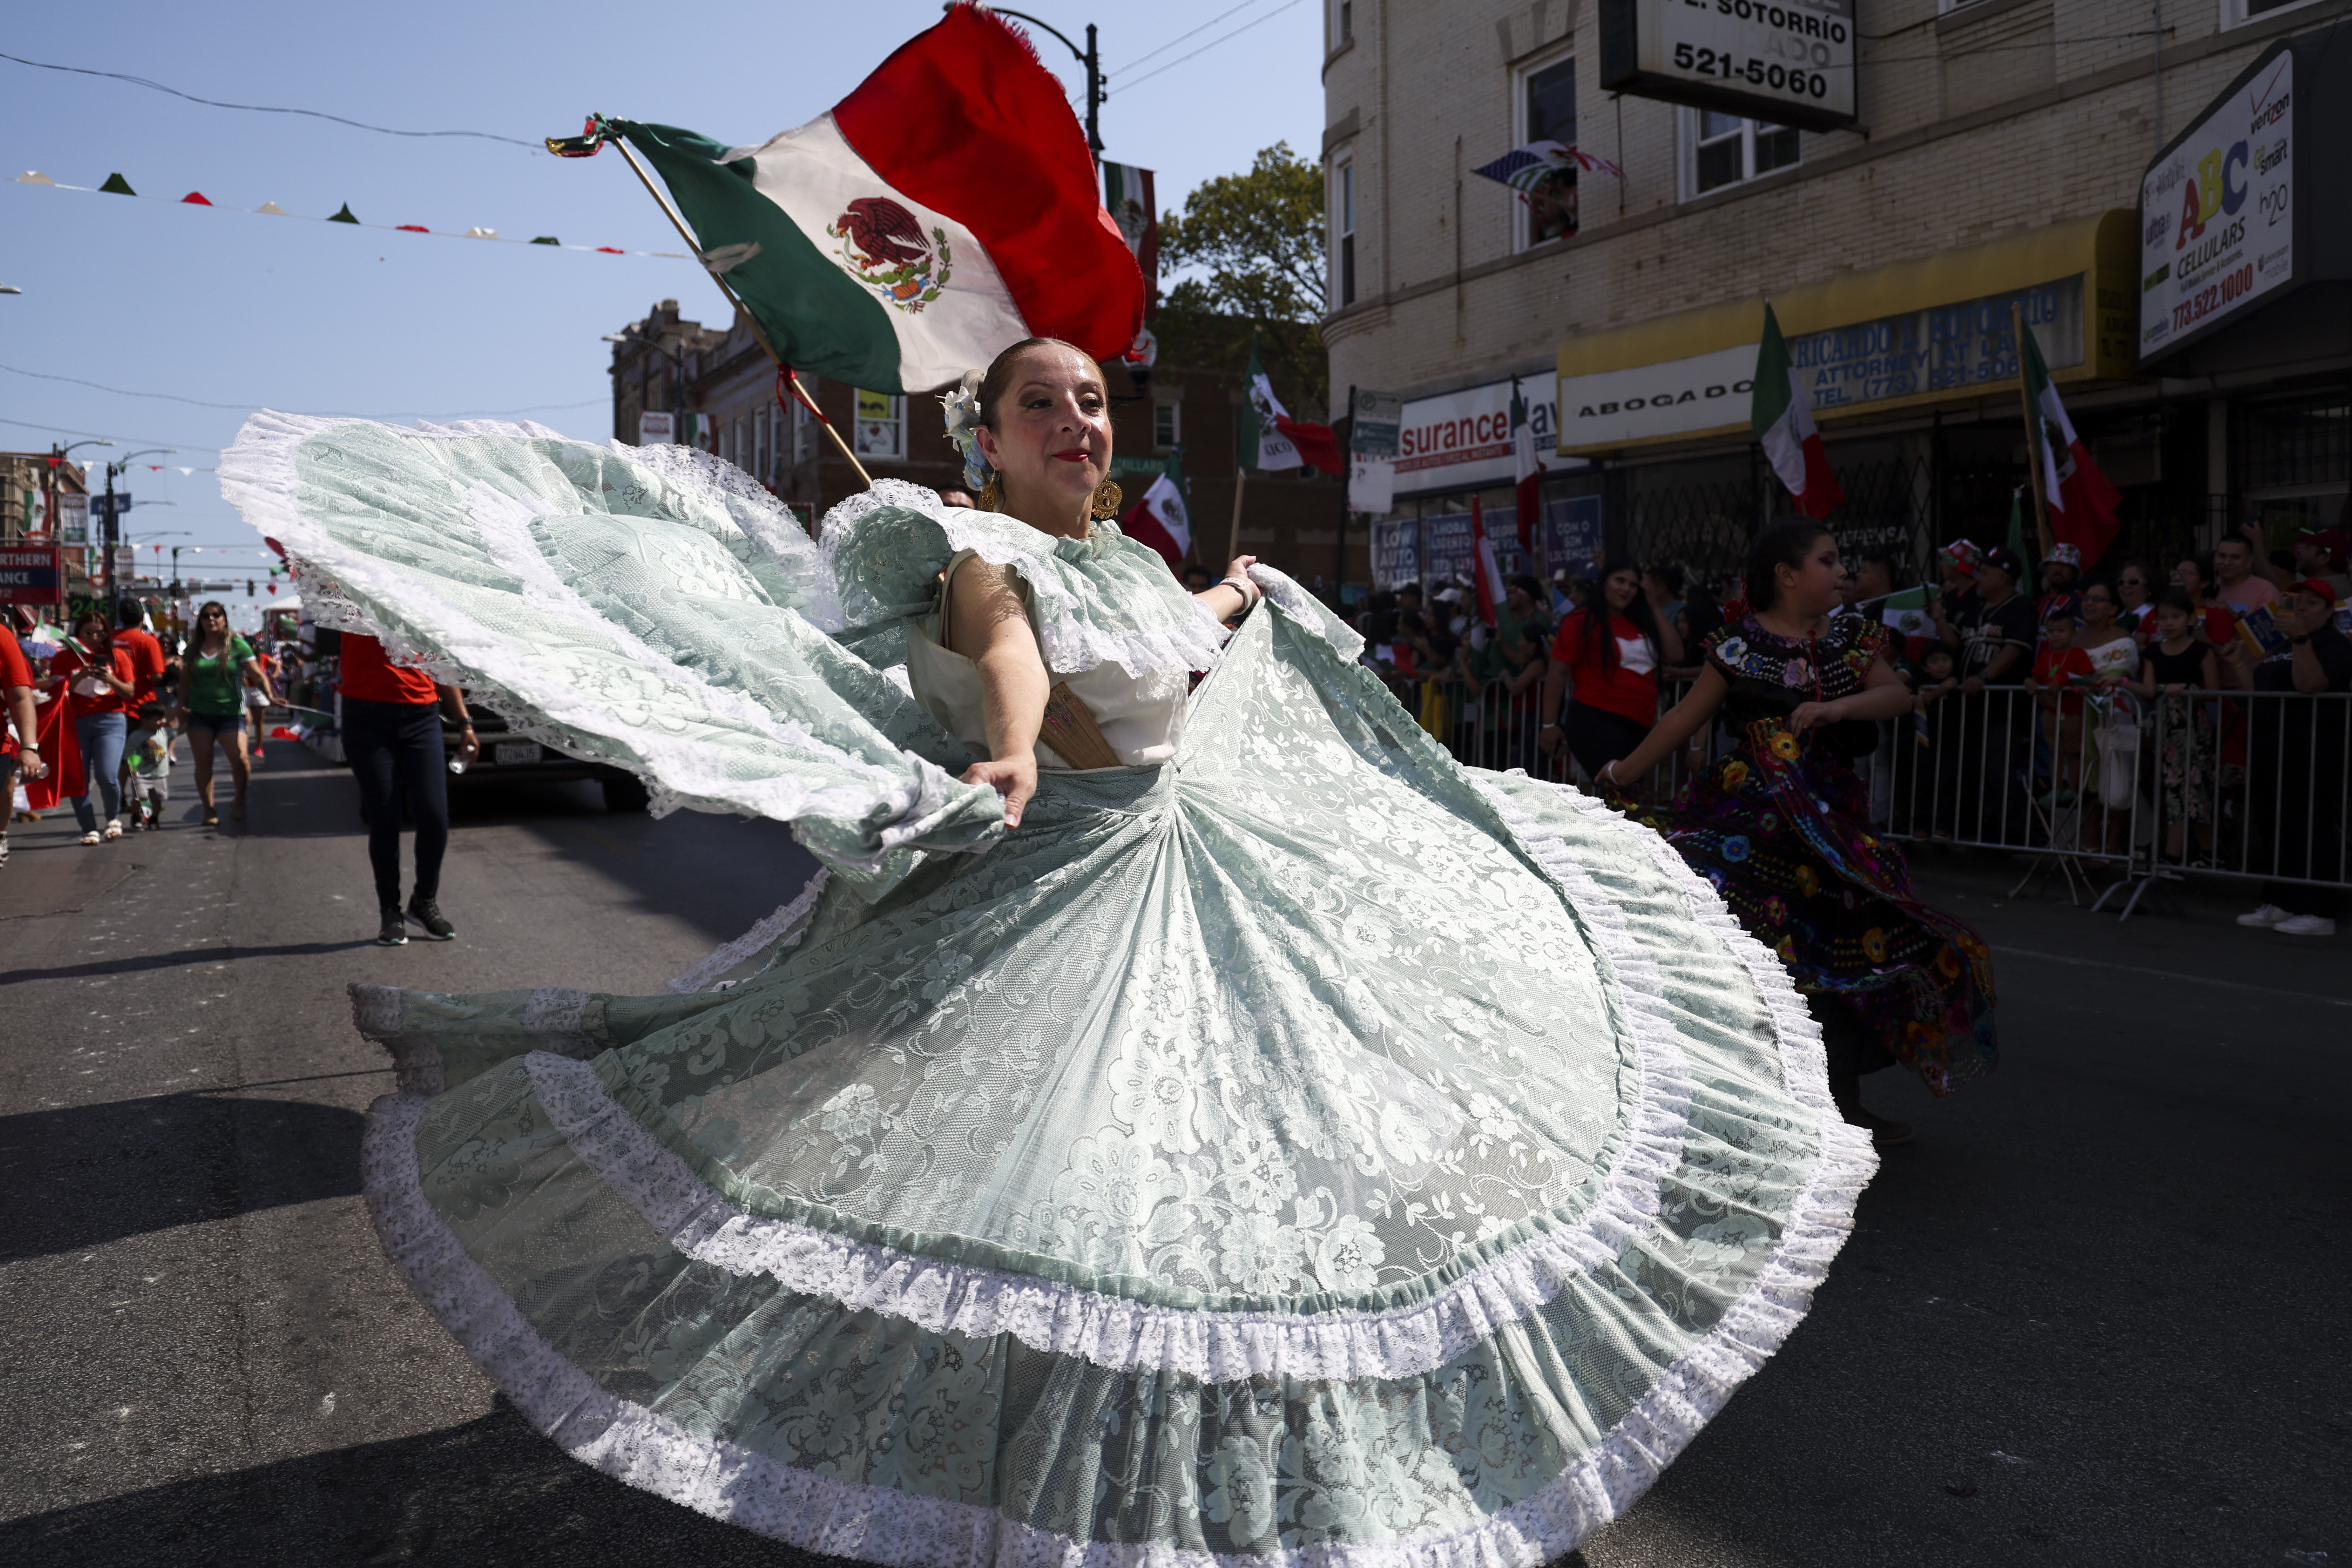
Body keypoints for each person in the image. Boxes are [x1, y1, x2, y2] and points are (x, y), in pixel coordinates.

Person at [232, 335, 1882, 1567]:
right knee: (1043, 1197)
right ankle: (1034, 1487)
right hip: (1060, 892)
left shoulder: (1135, 563)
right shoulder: (969, 553)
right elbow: (1015, 652)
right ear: (990, 435)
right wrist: (1011, 752)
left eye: (1093, 402)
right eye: (1045, 403)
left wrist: (1232, 597)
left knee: (1249, 1183)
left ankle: (1274, 1488)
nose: (1078, 423)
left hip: (1211, 875)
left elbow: (1163, 645)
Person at [1604, 520, 1997, 1140]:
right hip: (1752, 827)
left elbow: (1898, 697)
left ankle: (1841, 1100)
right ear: (1788, 576)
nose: (1841, 571)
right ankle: (1733, 1094)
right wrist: (1620, 774)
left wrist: (1837, 707)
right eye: (1828, 560)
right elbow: (1684, 716)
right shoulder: (1737, 646)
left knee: (1848, 953)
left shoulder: (1852, 640)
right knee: (1761, 961)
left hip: (1833, 824)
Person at [2227, 578, 2351, 936]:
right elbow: (2259, 694)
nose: (2304, 608)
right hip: (2271, 746)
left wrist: (2300, 640)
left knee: (2311, 826)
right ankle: (2282, 901)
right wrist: (2238, 664)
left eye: (2314, 603)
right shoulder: (2281, 644)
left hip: (2311, 747)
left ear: (2329, 612)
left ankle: (2319, 910)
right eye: (2299, 601)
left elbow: (2310, 685)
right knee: (2274, 826)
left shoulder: (2333, 644)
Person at [338, 631, 478, 945]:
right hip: (367, 718)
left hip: (421, 716)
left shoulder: (414, 596)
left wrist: (465, 723)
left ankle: (423, 902)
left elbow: (440, 664)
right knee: (385, 817)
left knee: (434, 814)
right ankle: (390, 911)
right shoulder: (348, 593)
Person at [1537, 558, 1682, 785]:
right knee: (1620, 796)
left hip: (1641, 724)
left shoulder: (1642, 621)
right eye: (1620, 581)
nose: (1626, 589)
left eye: (1633, 585)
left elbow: (1675, 655)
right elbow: (1557, 672)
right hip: (1595, 719)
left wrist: (1653, 605)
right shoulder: (1581, 620)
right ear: (1604, 581)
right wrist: (1549, 725)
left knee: (1630, 798)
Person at [1932, 543, 2035, 841]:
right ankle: (1978, 832)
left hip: (2003, 706)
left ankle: (2010, 834)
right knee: (1972, 770)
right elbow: (1954, 645)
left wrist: (1984, 676)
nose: (1979, 577)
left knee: (1998, 770)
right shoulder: (1975, 606)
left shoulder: (2020, 606)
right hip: (1971, 707)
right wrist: (1940, 617)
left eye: (1985, 572)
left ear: (2003, 577)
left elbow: (2015, 648)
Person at [2129, 588, 2220, 871]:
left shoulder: (2202, 650)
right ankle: (2189, 855)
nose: (2169, 623)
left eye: (2176, 617)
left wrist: (2187, 692)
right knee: (2176, 791)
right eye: (2164, 618)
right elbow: (2147, 688)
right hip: (2168, 728)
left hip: (2195, 729)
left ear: (2192, 619)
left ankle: (2186, 856)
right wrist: (2121, 683)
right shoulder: (2154, 652)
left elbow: (2214, 692)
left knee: (2195, 791)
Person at [178, 601, 279, 826]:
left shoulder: (238, 645)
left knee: (240, 757)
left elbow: (258, 675)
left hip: (231, 713)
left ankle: (240, 799)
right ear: (200, 621)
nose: (211, 619)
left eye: (216, 615)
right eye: (206, 616)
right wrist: (180, 707)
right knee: (204, 761)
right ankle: (209, 809)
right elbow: (185, 681)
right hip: (200, 714)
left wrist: (270, 697)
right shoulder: (193, 648)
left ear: (224, 619)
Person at [51, 608, 139, 845]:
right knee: (77, 779)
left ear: (106, 635)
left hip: (110, 721)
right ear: (77, 633)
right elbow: (56, 691)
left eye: (99, 634)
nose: (93, 639)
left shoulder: (118, 656)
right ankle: (89, 829)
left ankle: (113, 818)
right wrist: (80, 676)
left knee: (107, 775)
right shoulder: (64, 658)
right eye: (87, 633)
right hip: (74, 723)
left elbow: (130, 692)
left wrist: (110, 679)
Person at [2027, 607, 2094, 806]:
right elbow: (2035, 677)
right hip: (2051, 713)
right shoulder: (2045, 656)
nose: (2055, 635)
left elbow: (2087, 679)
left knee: (2074, 753)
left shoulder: (2078, 654)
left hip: (2073, 713)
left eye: (2061, 631)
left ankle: (2072, 789)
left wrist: (2066, 683)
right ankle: (2056, 790)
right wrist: (2030, 683)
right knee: (2055, 753)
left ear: (2074, 633)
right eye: (2052, 631)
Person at [0, 618, 50, 866]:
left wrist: (30, 747)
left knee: (6, 791)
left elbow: (21, 697)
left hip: (5, 738)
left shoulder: (2, 637)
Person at [2210, 531, 2278, 618]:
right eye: (2222, 556)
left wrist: (2235, 616)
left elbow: (2267, 630)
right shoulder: (2208, 588)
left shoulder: (2265, 591)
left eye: (2235, 557)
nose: (2227, 562)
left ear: (2249, 562)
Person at [2114, 560, 2160, 638]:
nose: (2126, 586)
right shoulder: (2116, 618)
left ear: (2148, 588)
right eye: (2121, 582)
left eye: (2134, 582)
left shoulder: (2157, 615)